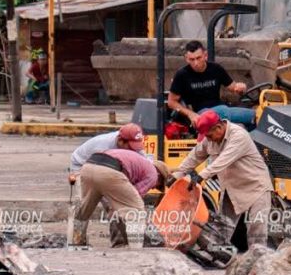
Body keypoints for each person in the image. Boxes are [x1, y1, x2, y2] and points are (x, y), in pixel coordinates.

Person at [170, 110, 272, 250]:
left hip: (256, 187)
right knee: (222, 227)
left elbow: (223, 160)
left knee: (256, 229)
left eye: (210, 135)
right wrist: (178, 174)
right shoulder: (209, 139)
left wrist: (201, 176)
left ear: (218, 127)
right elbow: (195, 156)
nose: (209, 139)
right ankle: (216, 256)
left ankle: (259, 262)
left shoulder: (239, 136)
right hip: (232, 188)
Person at [71, 146, 167, 248]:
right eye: (157, 185)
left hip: (88, 167)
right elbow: (135, 194)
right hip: (109, 171)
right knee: (136, 211)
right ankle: (137, 250)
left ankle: (76, 242)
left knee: (84, 209)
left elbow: (120, 193)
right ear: (159, 175)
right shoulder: (153, 174)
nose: (153, 187)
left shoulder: (139, 164)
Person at [168, 41, 256, 129]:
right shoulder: (182, 75)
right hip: (200, 113)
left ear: (205, 55)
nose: (196, 63)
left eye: (198, 58)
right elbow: (171, 102)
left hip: (220, 108)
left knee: (255, 118)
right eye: (192, 59)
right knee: (227, 111)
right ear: (186, 59)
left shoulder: (216, 69)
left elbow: (233, 87)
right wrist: (191, 114)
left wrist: (240, 87)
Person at [69, 123, 146, 174]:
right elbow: (99, 172)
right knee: (86, 196)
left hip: (106, 166)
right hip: (81, 164)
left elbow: (144, 160)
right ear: (120, 140)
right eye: (130, 146)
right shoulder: (103, 147)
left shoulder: (129, 139)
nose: (133, 150)